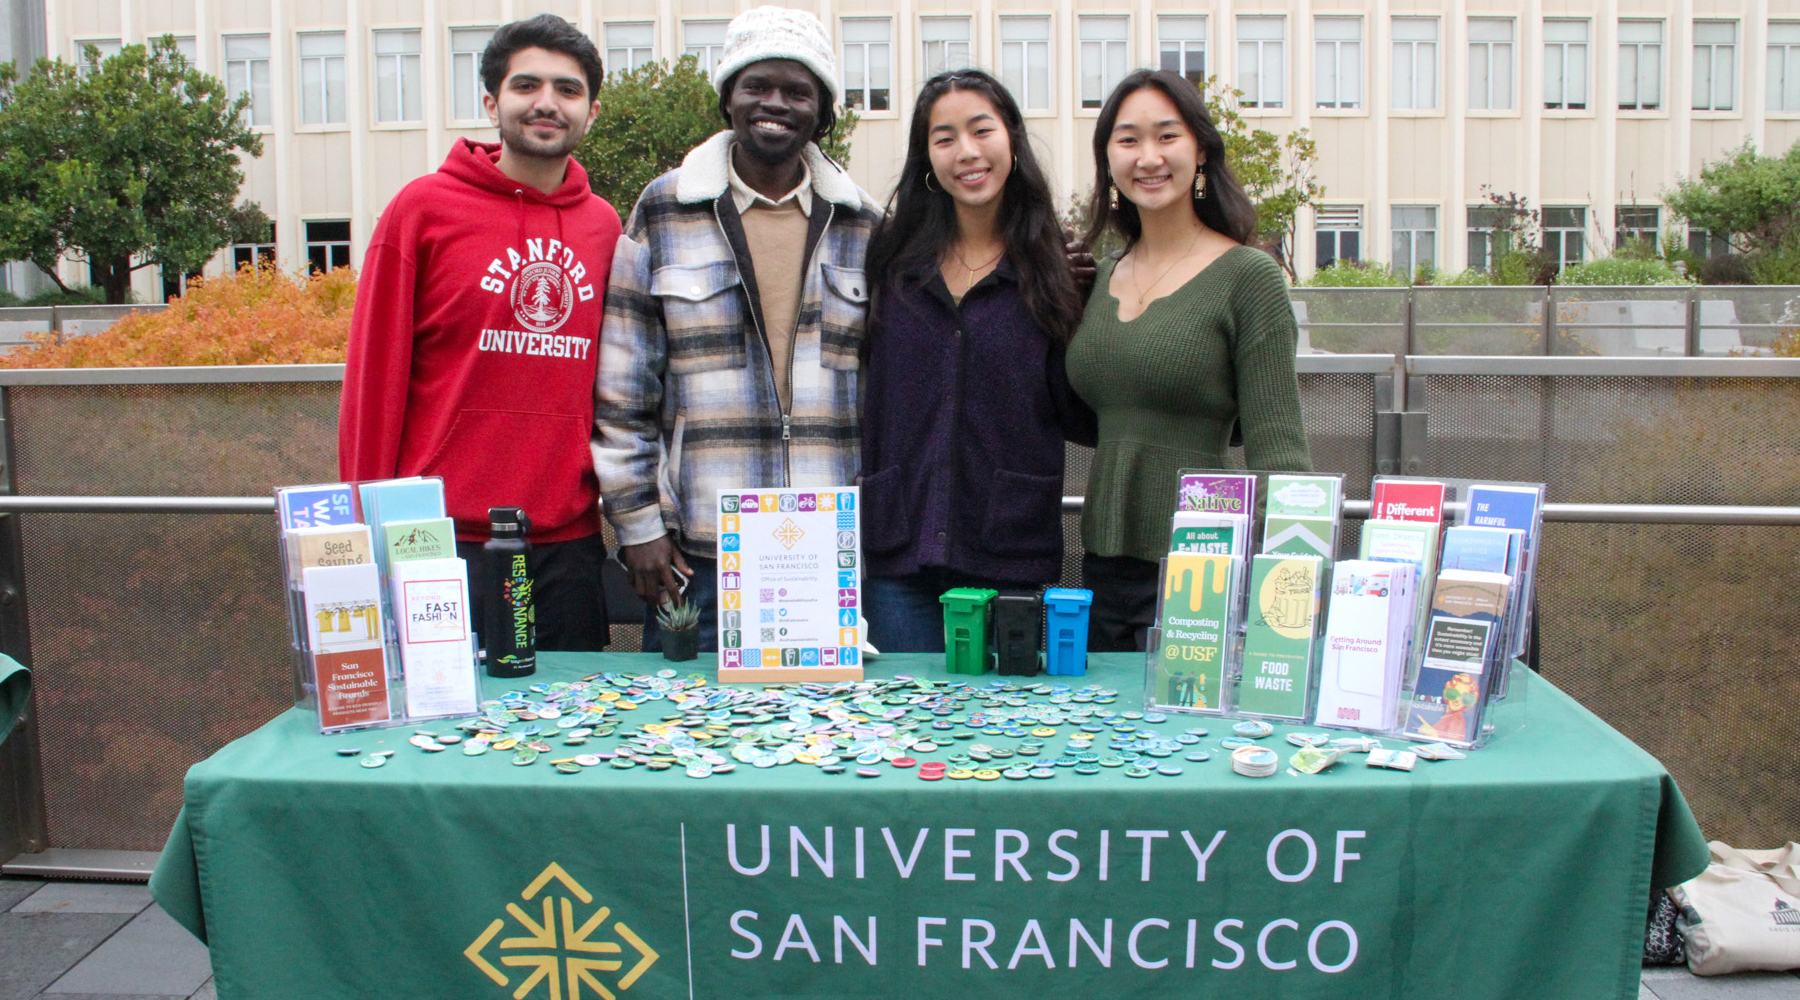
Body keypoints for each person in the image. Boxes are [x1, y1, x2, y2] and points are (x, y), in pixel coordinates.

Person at [593, 6, 882, 651]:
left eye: (797, 90)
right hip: (694, 554)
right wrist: (637, 526)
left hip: (823, 550)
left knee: (824, 741)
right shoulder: (665, 209)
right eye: (756, 86)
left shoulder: (863, 224)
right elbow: (621, 391)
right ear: (728, 98)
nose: (774, 103)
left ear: (822, 109)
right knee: (688, 743)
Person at [338, 14, 620, 653]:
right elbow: (373, 382)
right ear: (492, 102)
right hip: (435, 540)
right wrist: (362, 533)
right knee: (436, 744)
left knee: (566, 739)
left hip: (565, 542)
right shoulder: (423, 211)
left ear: (591, 111)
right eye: (527, 86)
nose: (547, 103)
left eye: (568, 90)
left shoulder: (604, 227)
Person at [1067, 69, 1312, 652]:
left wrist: (1292, 604)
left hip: (1203, 572)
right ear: (1108, 161)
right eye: (1127, 140)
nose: (1148, 157)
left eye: (1166, 136)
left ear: (1200, 149)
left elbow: (1281, 450)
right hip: (1099, 566)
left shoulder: (1249, 278)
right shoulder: (1098, 280)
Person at [859, 69, 1094, 652]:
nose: (966, 151)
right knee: (902, 730)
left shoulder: (1054, 271)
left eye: (981, 129)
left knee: (1008, 736)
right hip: (901, 549)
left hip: (1007, 550)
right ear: (927, 158)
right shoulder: (893, 263)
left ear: (1011, 137)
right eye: (944, 137)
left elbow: (1079, 412)